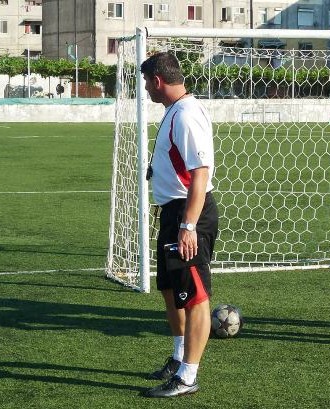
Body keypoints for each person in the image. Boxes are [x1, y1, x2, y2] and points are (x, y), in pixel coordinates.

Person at [140, 52, 219, 397]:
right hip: (173, 212)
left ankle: (187, 377)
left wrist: (188, 226)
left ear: (157, 81)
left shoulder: (186, 114)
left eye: (147, 82)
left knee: (196, 296)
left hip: (190, 215)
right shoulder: (175, 110)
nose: (145, 89)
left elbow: (200, 174)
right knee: (171, 290)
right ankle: (177, 357)